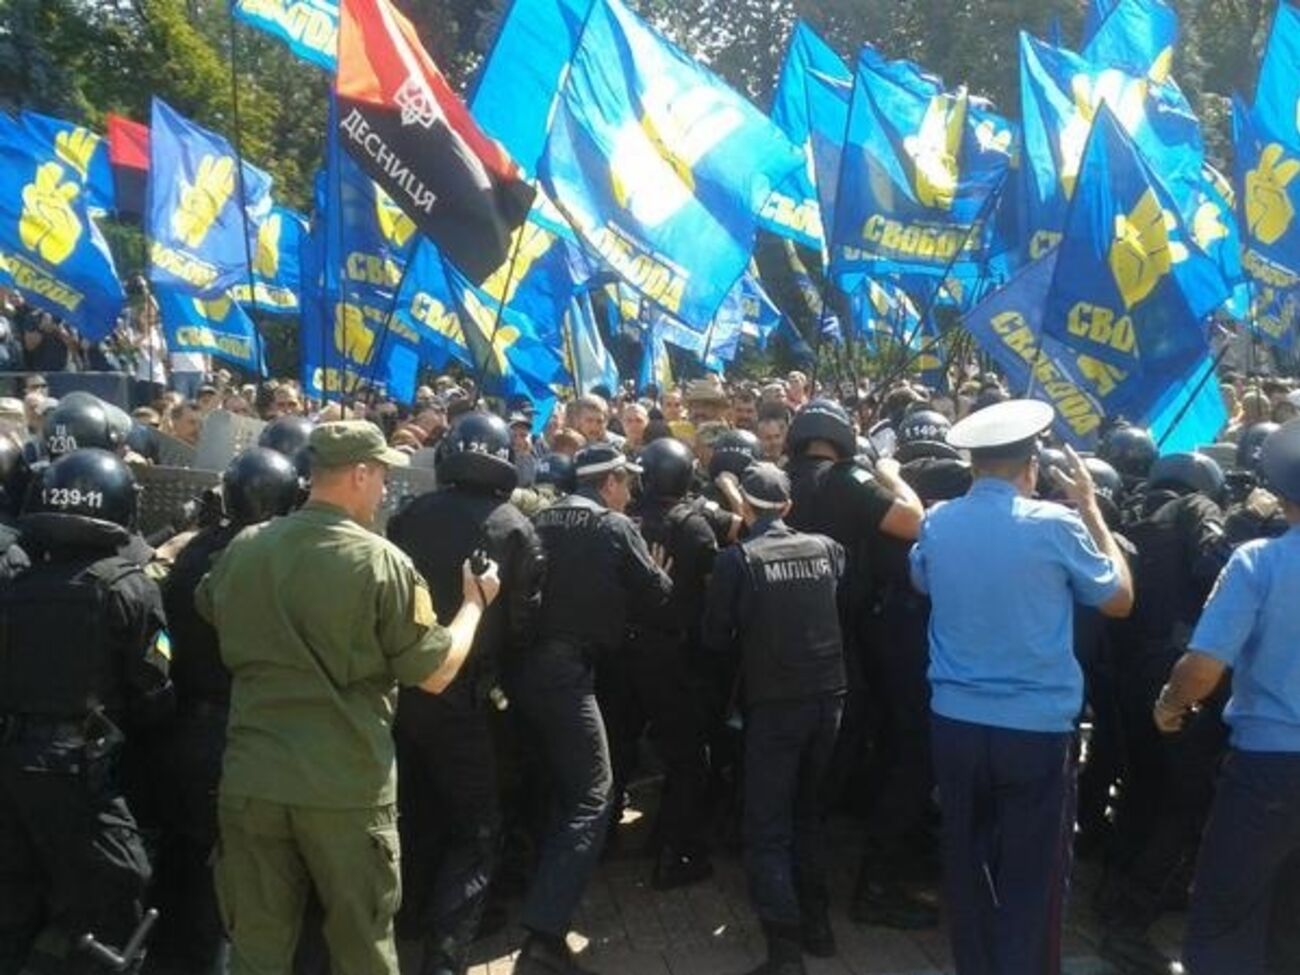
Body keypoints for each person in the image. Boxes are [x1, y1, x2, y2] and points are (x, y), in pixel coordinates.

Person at [195, 421, 501, 975]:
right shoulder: (380, 561)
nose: (384, 489)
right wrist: (475, 604)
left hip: (253, 777)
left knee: (256, 947)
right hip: (345, 786)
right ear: (360, 474)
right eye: (381, 475)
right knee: (363, 945)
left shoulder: (247, 546)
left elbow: (208, 604)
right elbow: (434, 673)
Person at [909, 400, 1133, 975]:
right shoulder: (1056, 525)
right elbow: (1119, 598)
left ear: (974, 464)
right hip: (1034, 731)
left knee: (967, 866)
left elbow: (921, 577)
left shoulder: (938, 521)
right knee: (1034, 879)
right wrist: (1091, 509)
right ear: (1031, 467)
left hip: (956, 723)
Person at [0, 449, 173, 974]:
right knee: (119, 885)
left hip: (13, 760)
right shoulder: (130, 587)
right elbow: (154, 689)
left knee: (16, 895)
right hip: (80, 769)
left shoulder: (17, 584)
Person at [386, 413, 545, 975]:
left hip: (405, 690)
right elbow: (524, 625)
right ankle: (445, 957)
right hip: (467, 698)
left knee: (417, 807)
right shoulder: (515, 527)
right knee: (478, 828)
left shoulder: (410, 515)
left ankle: (410, 917)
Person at [511, 443, 672, 975]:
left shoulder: (539, 516)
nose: (631, 492)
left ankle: (535, 888)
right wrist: (660, 571)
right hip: (566, 674)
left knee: (552, 783)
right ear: (610, 483)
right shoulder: (614, 526)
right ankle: (544, 937)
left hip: (524, 670)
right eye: (627, 482)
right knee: (592, 795)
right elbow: (657, 594)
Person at [146, 447, 302, 975]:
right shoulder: (279, 562)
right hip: (242, 735)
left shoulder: (193, 552)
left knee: (186, 860)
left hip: (185, 727)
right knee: (233, 876)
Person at [1158, 419, 1300, 975]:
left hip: (1270, 769)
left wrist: (1170, 705)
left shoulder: (1259, 562)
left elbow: (1202, 667)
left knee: (1226, 917)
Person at [782, 399, 926, 926]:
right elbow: (914, 521)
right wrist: (891, 473)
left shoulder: (777, 479)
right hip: (838, 643)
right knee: (828, 772)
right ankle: (821, 899)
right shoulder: (848, 480)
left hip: (773, 645)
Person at [703, 464, 846, 975]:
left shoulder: (736, 561)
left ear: (745, 507)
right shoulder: (827, 548)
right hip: (829, 698)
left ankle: (785, 952)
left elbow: (715, 638)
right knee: (808, 812)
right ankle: (819, 929)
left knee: (767, 825)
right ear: (788, 506)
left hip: (775, 702)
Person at [618, 436, 717, 889]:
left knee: (621, 747)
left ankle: (609, 839)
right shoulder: (694, 528)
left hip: (624, 650)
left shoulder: (625, 521)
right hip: (673, 657)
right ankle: (676, 853)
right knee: (687, 757)